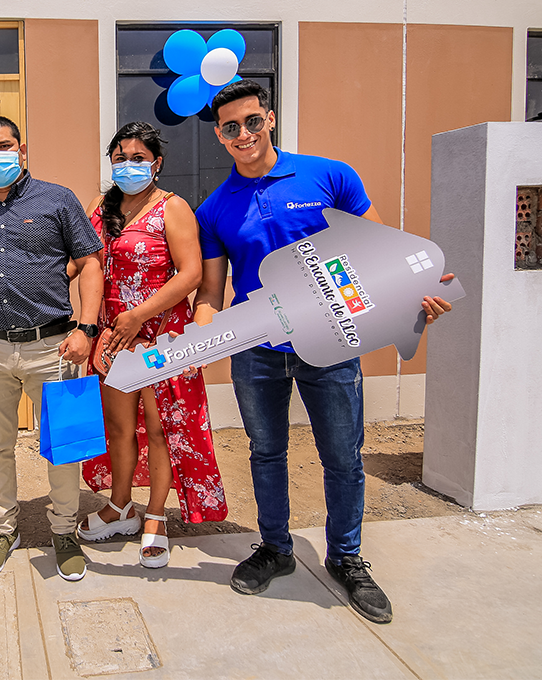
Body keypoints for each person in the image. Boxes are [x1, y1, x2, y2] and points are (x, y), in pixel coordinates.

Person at [193, 79, 451, 624]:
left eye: (252, 121)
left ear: (269, 119)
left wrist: (415, 291)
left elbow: (379, 249)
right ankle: (276, 549)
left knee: (342, 456)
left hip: (332, 344)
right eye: (231, 127)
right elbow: (212, 293)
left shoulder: (329, 176)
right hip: (258, 351)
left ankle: (346, 558)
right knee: (266, 453)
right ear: (219, 135)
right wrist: (194, 342)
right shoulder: (214, 209)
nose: (244, 134)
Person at [0, 115, 104, 581]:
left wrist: (86, 328)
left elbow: (90, 262)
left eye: (4, 146)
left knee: (64, 443)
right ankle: (4, 529)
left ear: (21, 150)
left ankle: (64, 532)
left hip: (54, 347)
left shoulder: (57, 199)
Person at [75, 122, 228, 568]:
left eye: (138, 158)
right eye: (120, 158)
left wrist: (139, 315)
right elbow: (85, 264)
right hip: (113, 338)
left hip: (162, 336)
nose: (128, 165)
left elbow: (191, 273)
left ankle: (156, 516)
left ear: (156, 163)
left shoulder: (172, 208)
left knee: (161, 429)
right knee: (119, 427)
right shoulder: (99, 208)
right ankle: (120, 505)